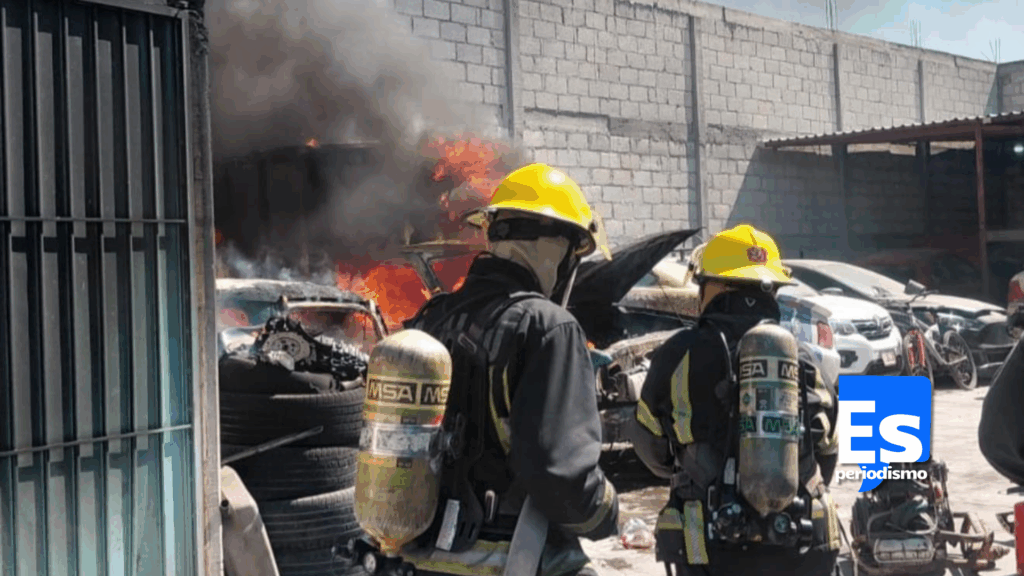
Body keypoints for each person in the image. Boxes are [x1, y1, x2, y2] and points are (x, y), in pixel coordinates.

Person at [399, 163, 620, 576]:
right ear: (555, 244)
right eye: (572, 253)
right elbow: (562, 478)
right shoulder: (546, 326)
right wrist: (607, 509)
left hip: (417, 559)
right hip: (510, 560)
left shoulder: (431, 318)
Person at [626, 225, 841, 576]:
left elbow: (650, 444)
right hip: (802, 545)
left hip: (711, 548)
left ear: (713, 286)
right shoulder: (802, 359)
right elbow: (827, 452)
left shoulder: (679, 354)